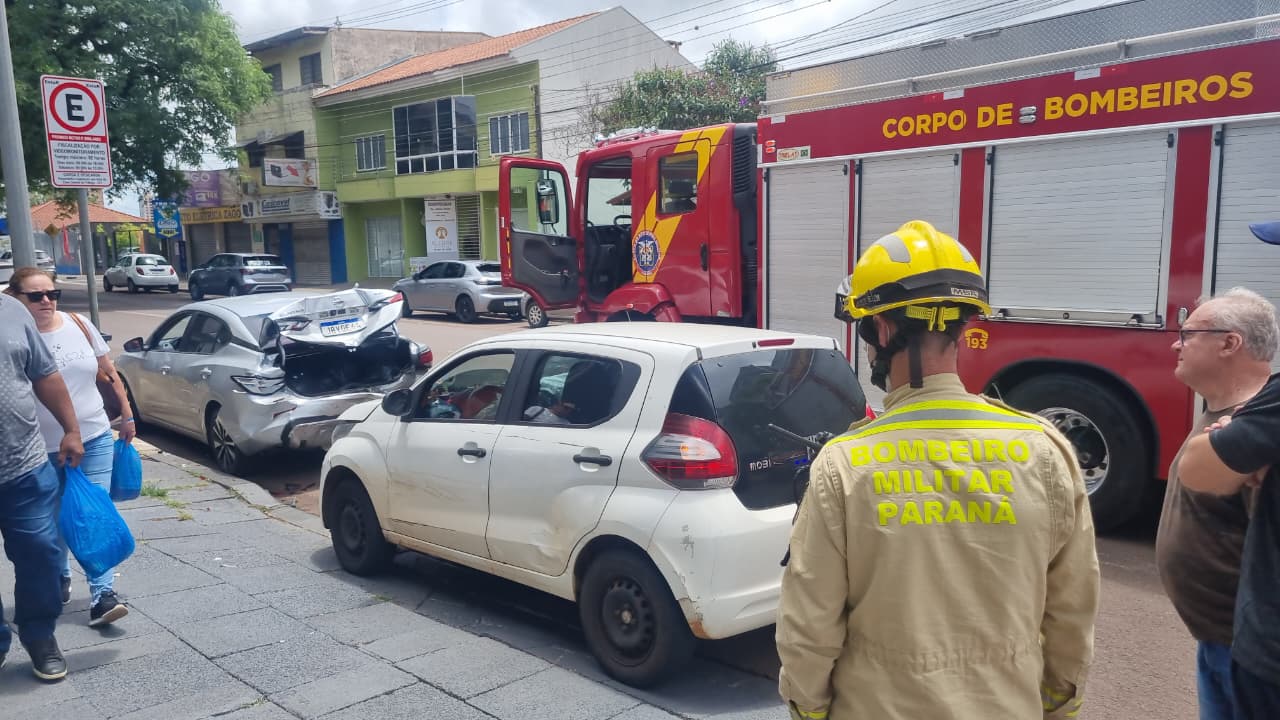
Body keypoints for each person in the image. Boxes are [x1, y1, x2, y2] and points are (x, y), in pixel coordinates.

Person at [775, 220, 1100, 720]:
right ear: (964, 326)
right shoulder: (1045, 449)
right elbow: (1072, 610)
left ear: (881, 331)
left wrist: (809, 709)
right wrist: (1056, 705)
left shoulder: (843, 464)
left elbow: (809, 628)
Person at [1155, 287, 1277, 720]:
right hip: (1218, 640)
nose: (1176, 343)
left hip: (1247, 651)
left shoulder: (1257, 433)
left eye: (1188, 334)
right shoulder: (1228, 420)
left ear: (1230, 343)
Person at [5, 267, 136, 628]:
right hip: (33, 450)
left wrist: (126, 416)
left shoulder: (77, 324)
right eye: (36, 296)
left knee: (91, 512)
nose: (46, 301)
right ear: (14, 299)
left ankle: (102, 594)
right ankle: (60, 575)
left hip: (92, 435)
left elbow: (107, 371)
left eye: (51, 293)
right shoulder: (11, 334)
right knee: (51, 522)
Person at [0, 289, 84, 681]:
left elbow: (45, 375)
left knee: (41, 555)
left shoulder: (12, 310)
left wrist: (71, 429)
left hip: (24, 468)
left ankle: (39, 634)